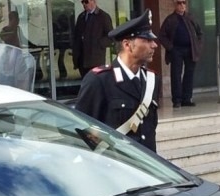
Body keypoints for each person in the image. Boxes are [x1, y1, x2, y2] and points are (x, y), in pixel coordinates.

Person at [75, 9, 160, 152]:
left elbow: (150, 129)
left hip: (145, 167)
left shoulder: (151, 80)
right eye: (147, 40)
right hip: (115, 167)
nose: (154, 45)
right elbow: (83, 131)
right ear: (127, 45)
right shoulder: (99, 80)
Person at [159, 0, 203, 108]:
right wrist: (170, 47)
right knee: (176, 74)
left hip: (190, 49)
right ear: (175, 5)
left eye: (184, 3)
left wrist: (198, 46)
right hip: (176, 50)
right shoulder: (170, 19)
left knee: (189, 74)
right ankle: (177, 100)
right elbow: (162, 35)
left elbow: (200, 33)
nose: (182, 5)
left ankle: (187, 98)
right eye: (179, 3)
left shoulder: (190, 18)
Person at [72, 0, 114, 77]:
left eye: (86, 1)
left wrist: (98, 44)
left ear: (93, 1)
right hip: (82, 60)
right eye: (82, 2)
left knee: (96, 84)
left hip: (95, 60)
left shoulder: (103, 17)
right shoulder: (81, 17)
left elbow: (111, 37)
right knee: (86, 84)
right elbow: (76, 37)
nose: (84, 4)